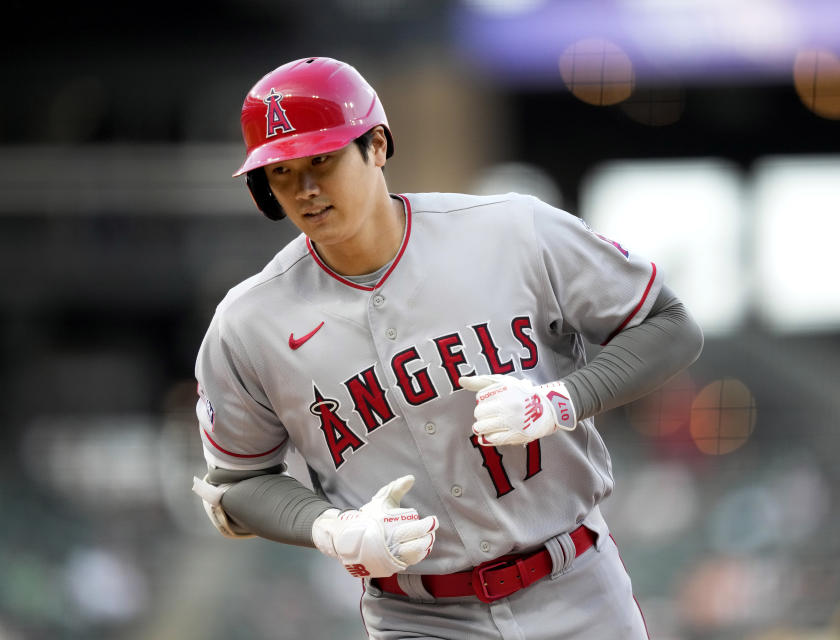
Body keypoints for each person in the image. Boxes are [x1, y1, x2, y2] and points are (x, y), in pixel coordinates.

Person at [191, 56, 703, 640]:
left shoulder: (511, 231)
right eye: (283, 172)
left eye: (322, 160)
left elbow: (670, 325)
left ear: (377, 145)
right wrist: (330, 527)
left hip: (577, 588)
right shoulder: (248, 323)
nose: (306, 190)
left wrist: (562, 399)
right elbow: (237, 484)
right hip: (416, 616)